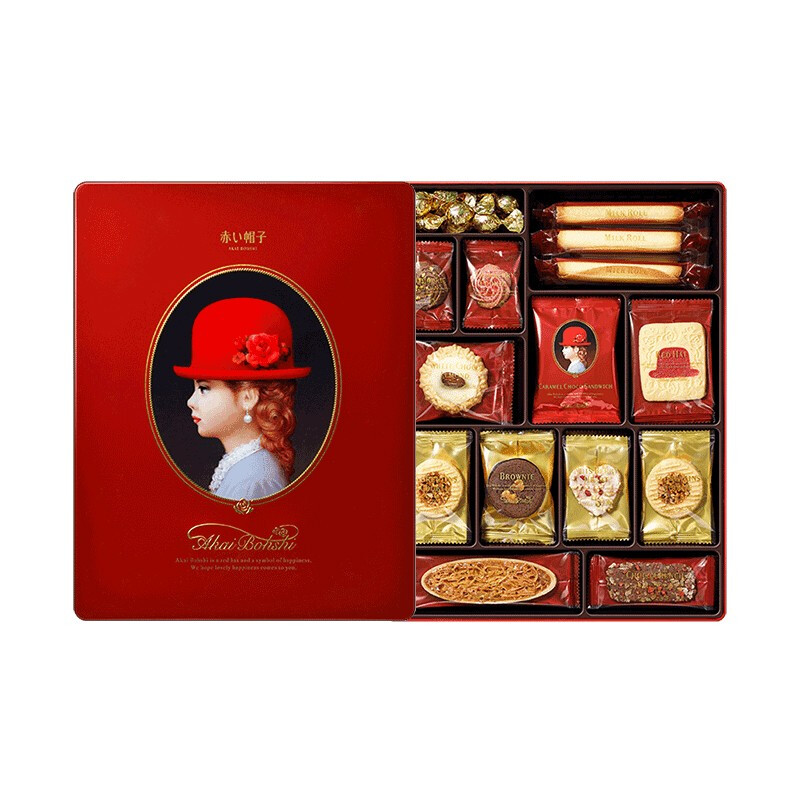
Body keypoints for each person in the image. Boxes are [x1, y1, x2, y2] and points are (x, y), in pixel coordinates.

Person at [173, 297, 311, 500]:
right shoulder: (246, 468)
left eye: (204, 389)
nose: (190, 402)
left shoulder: (253, 480)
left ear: (248, 397)